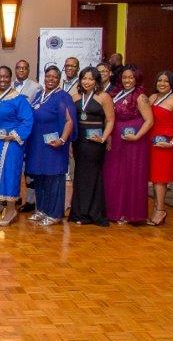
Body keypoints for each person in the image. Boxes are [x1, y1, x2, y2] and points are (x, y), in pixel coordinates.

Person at [0, 66, 34, 225]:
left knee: (9, 174)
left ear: (10, 79)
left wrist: (14, 135)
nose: (2, 80)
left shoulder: (19, 99)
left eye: (6, 77)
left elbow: (28, 120)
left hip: (10, 144)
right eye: (0, 76)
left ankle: (11, 210)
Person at [25, 66, 76, 226]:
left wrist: (62, 140)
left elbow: (69, 121)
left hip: (54, 145)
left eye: (54, 77)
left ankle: (54, 214)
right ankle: (41, 209)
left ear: (59, 79)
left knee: (53, 179)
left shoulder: (63, 97)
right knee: (40, 177)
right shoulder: (39, 95)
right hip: (37, 144)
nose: (50, 79)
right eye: (48, 76)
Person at [102, 65, 154, 225]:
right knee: (115, 173)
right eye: (125, 77)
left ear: (136, 78)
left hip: (134, 141)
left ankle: (131, 213)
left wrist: (137, 136)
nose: (127, 80)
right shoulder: (116, 93)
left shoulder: (140, 96)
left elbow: (149, 120)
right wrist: (108, 135)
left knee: (131, 174)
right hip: (117, 139)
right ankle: (115, 211)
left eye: (131, 77)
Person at [70, 67, 114, 226]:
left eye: (90, 79)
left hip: (95, 143)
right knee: (80, 175)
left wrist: (103, 138)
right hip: (79, 141)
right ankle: (79, 213)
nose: (87, 82)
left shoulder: (104, 97)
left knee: (93, 176)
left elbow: (110, 120)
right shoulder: (75, 96)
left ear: (96, 81)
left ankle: (93, 213)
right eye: (84, 78)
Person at [148, 71, 173, 226]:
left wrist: (172, 143)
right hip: (151, 142)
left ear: (171, 84)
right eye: (159, 80)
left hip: (166, 143)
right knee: (153, 177)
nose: (162, 83)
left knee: (161, 178)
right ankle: (156, 207)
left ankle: (161, 210)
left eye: (166, 81)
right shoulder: (152, 97)